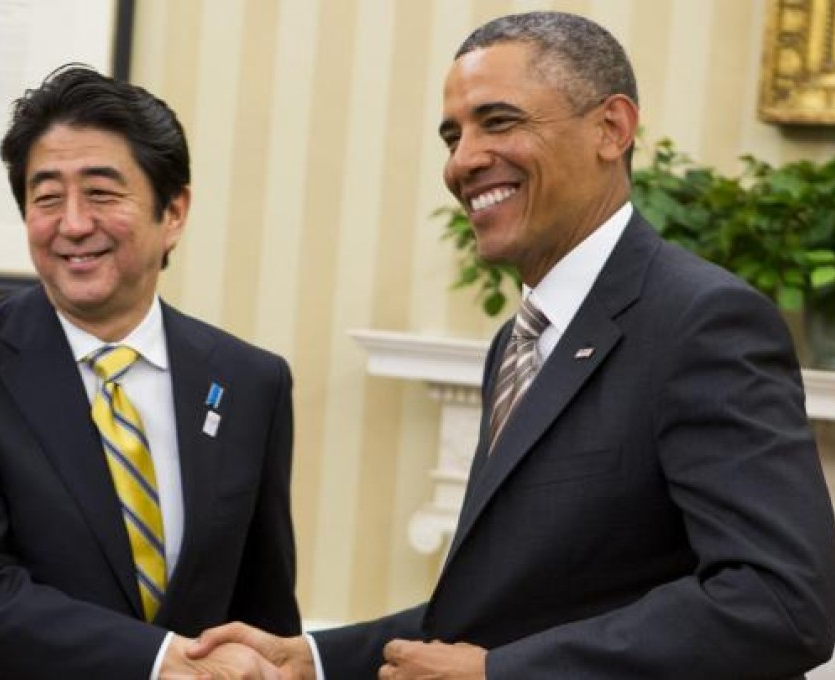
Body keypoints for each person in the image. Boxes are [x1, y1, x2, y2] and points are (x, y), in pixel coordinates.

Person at [190, 11, 835, 679]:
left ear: (611, 129)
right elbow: (502, 607)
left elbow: (780, 602)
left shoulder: (703, 322)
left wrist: (501, 676)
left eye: (499, 122)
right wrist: (315, 659)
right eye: (453, 135)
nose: (463, 161)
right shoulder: (517, 341)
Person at [0, 65, 298, 679]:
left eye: (102, 192)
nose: (73, 223)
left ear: (174, 210)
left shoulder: (250, 382)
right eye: (47, 197)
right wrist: (158, 663)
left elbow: (263, 608)